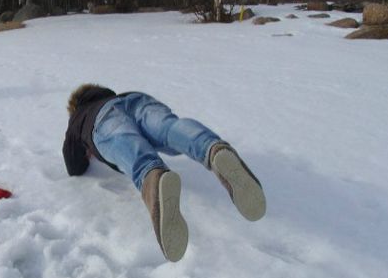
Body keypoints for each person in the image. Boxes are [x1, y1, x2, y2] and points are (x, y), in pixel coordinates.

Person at [63, 84, 265, 262]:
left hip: (103, 119)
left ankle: (152, 177)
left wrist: (85, 150)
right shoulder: (121, 95)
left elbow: (73, 165)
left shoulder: (80, 116)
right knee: (168, 128)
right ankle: (213, 149)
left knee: (123, 139)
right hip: (138, 100)